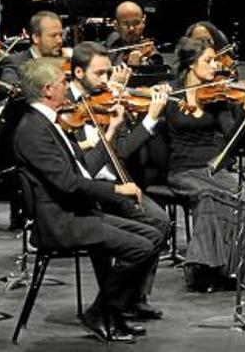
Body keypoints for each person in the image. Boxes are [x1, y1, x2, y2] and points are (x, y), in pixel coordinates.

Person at [14, 57, 160, 343]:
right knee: (140, 247)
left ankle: (113, 311)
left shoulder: (50, 122)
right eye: (62, 82)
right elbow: (68, 184)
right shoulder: (32, 129)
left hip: (75, 211)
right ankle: (101, 311)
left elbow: (79, 168)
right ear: (47, 90)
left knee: (153, 234)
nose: (67, 87)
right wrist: (117, 191)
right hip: (60, 220)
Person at [66, 41, 171, 318]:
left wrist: (144, 118)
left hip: (117, 182)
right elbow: (83, 169)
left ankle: (134, 296)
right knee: (118, 236)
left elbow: (122, 150)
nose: (105, 81)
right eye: (98, 74)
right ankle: (112, 304)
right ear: (78, 73)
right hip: (87, 188)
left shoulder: (108, 99)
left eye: (108, 73)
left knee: (160, 220)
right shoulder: (65, 106)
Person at [163, 37, 245, 290]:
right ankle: (203, 271)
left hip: (212, 167)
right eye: (208, 61)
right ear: (190, 64)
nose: (215, 66)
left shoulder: (216, 97)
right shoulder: (170, 93)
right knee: (207, 196)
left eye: (215, 60)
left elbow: (233, 139)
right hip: (182, 170)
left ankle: (234, 270)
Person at [0, 11, 69, 84]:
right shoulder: (15, 63)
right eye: (53, 35)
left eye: (60, 35)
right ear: (36, 37)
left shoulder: (65, 61)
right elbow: (11, 88)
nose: (59, 41)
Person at [105, 1, 162, 66]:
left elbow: (156, 69)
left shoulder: (150, 52)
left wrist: (138, 66)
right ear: (116, 25)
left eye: (136, 23)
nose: (131, 28)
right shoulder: (111, 42)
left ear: (143, 23)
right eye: (125, 24)